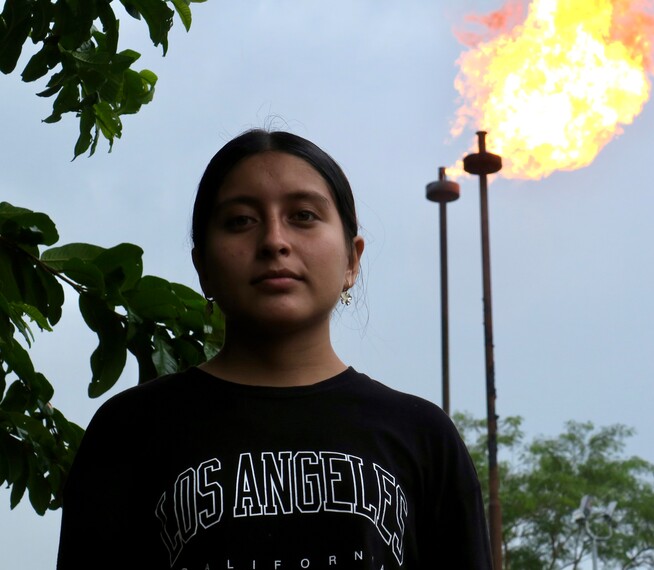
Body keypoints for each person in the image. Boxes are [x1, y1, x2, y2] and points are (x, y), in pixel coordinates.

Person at [57, 130, 492, 569]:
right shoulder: (129, 432)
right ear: (202, 266)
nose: (274, 242)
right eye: (241, 220)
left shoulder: (422, 437)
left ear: (351, 260)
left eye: (303, 215)